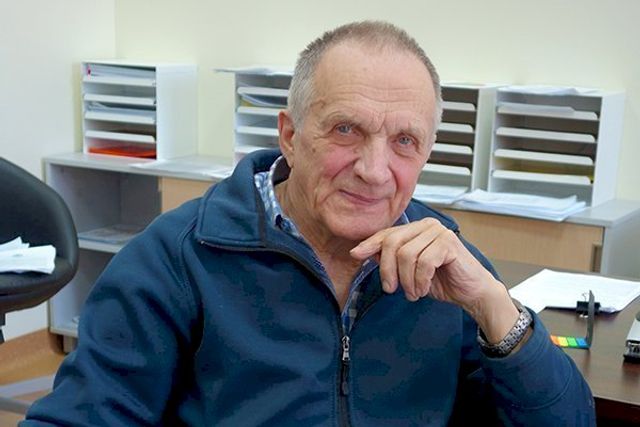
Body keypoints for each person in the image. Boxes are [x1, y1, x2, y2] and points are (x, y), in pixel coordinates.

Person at [22, 21, 595, 426]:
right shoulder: (177, 258)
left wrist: (495, 308)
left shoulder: (445, 267)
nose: (374, 170)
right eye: (346, 129)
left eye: (404, 141)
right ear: (291, 136)